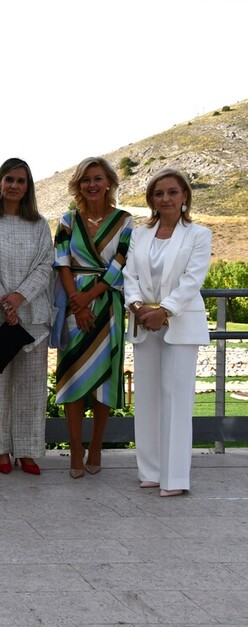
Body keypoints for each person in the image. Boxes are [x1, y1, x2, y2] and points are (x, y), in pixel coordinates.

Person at [123, 169, 211, 497]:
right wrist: (137, 307)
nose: (166, 199)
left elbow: (193, 278)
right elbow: (129, 275)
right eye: (159, 193)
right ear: (151, 200)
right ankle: (150, 471)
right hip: (144, 324)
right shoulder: (140, 235)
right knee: (146, 399)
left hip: (180, 325)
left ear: (185, 196)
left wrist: (165, 311)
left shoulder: (199, 234)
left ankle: (174, 478)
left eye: (173, 192)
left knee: (175, 400)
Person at [0, 158, 54, 475]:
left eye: (21, 181)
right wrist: (5, 304)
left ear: (28, 187)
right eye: (9, 179)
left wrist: (20, 298)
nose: (15, 186)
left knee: (31, 386)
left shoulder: (40, 224)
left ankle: (28, 449)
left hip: (33, 315)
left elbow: (45, 265)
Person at [53, 157, 133, 479]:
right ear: (78, 185)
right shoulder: (67, 220)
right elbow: (62, 263)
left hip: (108, 303)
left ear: (109, 182)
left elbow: (121, 262)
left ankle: (96, 445)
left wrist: (89, 296)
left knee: (105, 379)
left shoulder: (125, 220)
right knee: (74, 375)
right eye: (86, 179)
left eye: (97, 178)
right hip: (75, 305)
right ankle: (75, 447)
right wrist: (78, 302)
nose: (92, 184)